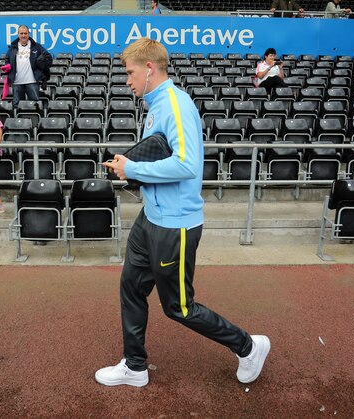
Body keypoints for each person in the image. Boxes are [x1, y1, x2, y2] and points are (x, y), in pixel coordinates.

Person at [97, 38, 270, 388]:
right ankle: (135, 366)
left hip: (175, 226)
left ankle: (249, 346)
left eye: (130, 73)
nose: (126, 80)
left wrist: (132, 170)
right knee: (131, 287)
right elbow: (159, 157)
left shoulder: (176, 104)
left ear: (149, 69)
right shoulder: (157, 104)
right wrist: (132, 168)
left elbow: (188, 165)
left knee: (179, 307)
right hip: (152, 218)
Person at [3, 25, 52, 113]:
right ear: (18, 34)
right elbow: (7, 59)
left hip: (32, 81)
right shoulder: (13, 47)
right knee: (17, 107)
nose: (23, 35)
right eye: (21, 33)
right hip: (17, 82)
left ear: (29, 34)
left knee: (35, 105)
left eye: (25, 33)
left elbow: (48, 57)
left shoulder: (37, 46)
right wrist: (7, 66)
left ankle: (35, 125)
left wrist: (41, 67)